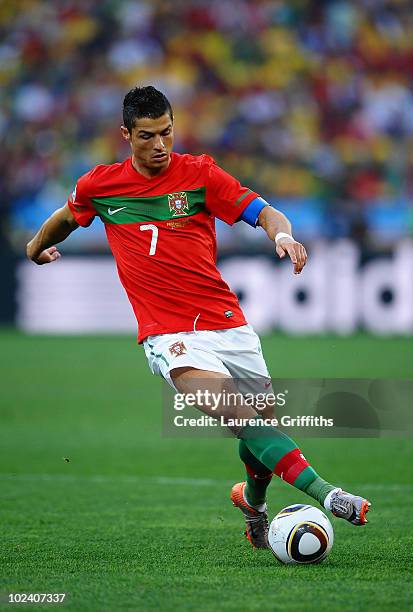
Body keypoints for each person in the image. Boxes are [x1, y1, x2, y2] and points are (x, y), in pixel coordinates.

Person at [27, 86, 370, 548]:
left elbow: (263, 211)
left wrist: (282, 238)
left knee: (263, 430)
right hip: (168, 334)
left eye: (167, 132)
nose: (160, 145)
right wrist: (34, 249)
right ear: (126, 134)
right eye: (147, 136)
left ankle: (253, 499)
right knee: (238, 415)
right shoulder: (100, 185)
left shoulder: (200, 174)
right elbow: (66, 218)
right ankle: (329, 495)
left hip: (227, 322)